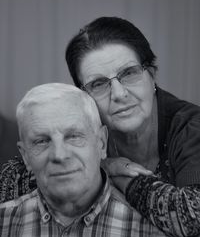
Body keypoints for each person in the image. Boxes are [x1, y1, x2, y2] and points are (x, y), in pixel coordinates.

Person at [65, 16, 200, 237]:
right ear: (85, 96)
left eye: (129, 73)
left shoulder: (192, 126)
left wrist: (124, 179)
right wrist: (103, 166)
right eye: (98, 84)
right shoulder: (83, 130)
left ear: (152, 74)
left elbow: (194, 218)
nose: (119, 94)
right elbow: (18, 176)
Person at [0, 83, 166, 237]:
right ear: (25, 156)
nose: (59, 155)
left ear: (101, 143)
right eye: (41, 141)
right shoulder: (4, 222)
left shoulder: (149, 230)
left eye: (73, 136)